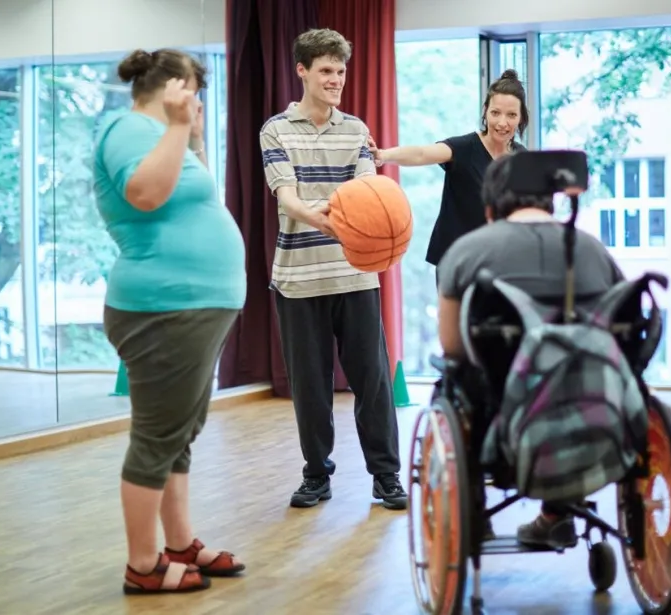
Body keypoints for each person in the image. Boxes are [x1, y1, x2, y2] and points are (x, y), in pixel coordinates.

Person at [94, 48, 247, 594]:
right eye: (193, 93)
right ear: (176, 87)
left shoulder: (167, 135)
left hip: (193, 306)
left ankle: (180, 543)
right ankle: (143, 564)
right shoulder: (128, 129)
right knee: (158, 438)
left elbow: (189, 197)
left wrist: (193, 138)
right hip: (162, 307)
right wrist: (180, 128)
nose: (196, 103)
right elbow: (145, 194)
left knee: (179, 435)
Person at [434, 151, 626, 550]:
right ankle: (558, 515)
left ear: (490, 208)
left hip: (505, 420)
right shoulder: (593, 250)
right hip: (596, 409)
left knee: (453, 381)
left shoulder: (467, 252)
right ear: (549, 200)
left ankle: (474, 513)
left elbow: (452, 346)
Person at [258, 28, 407, 511]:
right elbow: (287, 197)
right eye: (326, 71)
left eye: (340, 72)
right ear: (301, 71)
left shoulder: (356, 130)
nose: (335, 79)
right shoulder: (275, 130)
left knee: (374, 381)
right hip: (298, 279)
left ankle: (386, 477)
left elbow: (370, 194)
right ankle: (316, 475)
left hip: (356, 274)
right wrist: (331, 217)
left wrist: (355, 220)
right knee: (311, 386)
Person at [369, 69, 530, 285]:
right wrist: (383, 156)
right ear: (485, 112)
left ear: (521, 118)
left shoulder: (523, 158)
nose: (502, 123)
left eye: (511, 115)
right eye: (495, 113)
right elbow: (421, 153)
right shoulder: (464, 148)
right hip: (457, 263)